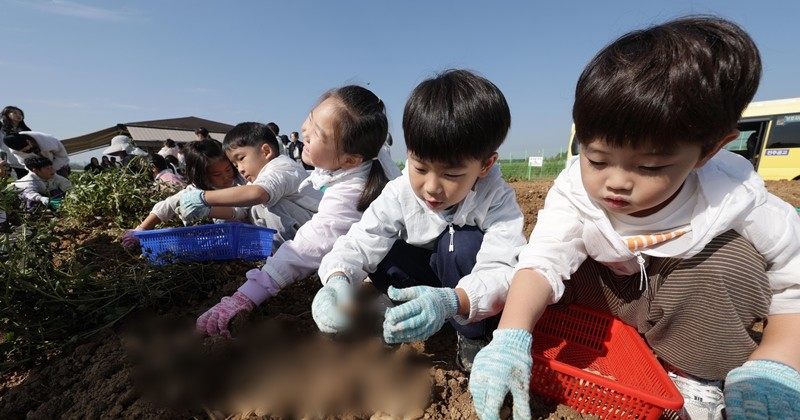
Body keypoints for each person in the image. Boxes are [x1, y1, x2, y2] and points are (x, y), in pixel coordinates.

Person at [468, 16, 800, 420]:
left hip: (685, 307)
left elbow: (793, 288)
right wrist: (509, 338)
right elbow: (541, 262)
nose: (616, 183)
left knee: (732, 257)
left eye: (648, 167)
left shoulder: (737, 201)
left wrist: (776, 365)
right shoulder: (575, 190)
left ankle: (695, 377)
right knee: (548, 271)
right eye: (597, 159)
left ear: (709, 150)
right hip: (605, 302)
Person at [310, 69, 527, 372]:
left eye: (451, 175)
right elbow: (362, 239)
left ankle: (472, 335)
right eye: (420, 167)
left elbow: (504, 268)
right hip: (423, 276)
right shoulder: (399, 192)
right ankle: (406, 306)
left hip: (467, 292)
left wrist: (453, 301)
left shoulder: (498, 200)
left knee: (462, 243)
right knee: (386, 250)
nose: (432, 187)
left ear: (485, 165)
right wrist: (337, 279)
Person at [196, 85, 403, 337]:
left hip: (398, 264)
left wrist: (246, 296)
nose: (304, 132)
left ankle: (392, 293)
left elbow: (307, 246)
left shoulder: (351, 191)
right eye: (311, 119)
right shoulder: (366, 158)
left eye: (318, 134)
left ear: (350, 160)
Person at [178, 122, 322, 250]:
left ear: (266, 151)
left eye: (241, 159)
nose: (239, 169)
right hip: (303, 232)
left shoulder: (282, 167)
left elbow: (257, 194)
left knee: (269, 205)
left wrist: (204, 197)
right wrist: (207, 211)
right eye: (235, 165)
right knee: (251, 210)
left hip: (319, 233)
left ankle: (288, 257)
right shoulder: (255, 182)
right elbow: (239, 211)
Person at [121, 140, 248, 247]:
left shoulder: (241, 182)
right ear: (202, 176)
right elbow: (168, 204)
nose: (226, 177)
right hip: (221, 242)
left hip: (248, 238)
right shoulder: (198, 190)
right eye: (216, 174)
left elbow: (241, 211)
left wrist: (208, 211)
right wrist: (141, 230)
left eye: (228, 169)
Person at [4, 131, 71, 178]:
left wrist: (52, 169)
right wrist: (36, 172)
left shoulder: (48, 141)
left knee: (61, 182)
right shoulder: (15, 150)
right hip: (39, 170)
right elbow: (25, 163)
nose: (24, 151)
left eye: (25, 149)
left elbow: (62, 156)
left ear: (28, 141)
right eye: (21, 151)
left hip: (59, 165)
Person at [1, 105, 33, 179]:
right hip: (6, 162)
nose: (19, 115)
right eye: (15, 113)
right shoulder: (1, 129)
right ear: (6, 114)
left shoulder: (25, 130)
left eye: (20, 114)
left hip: (23, 162)